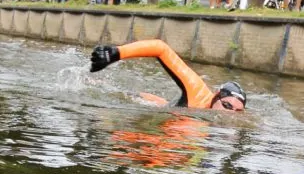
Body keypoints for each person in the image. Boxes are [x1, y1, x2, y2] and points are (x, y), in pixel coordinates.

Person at [90, 40, 247, 111]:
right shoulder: (197, 91)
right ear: (217, 96)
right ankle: (95, 83)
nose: (229, 115)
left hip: (170, 112)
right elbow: (161, 48)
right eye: (227, 106)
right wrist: (117, 53)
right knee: (111, 93)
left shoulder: (234, 124)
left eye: (237, 111)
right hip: (150, 105)